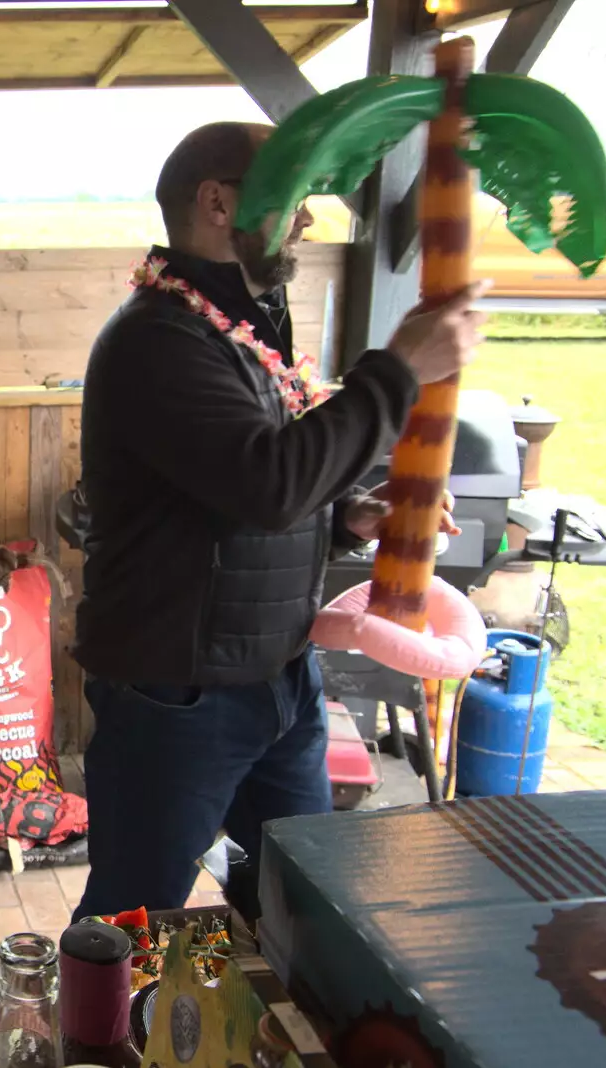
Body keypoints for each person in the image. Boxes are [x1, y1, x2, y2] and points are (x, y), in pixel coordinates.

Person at [70, 122, 485, 919]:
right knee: (134, 914)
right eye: (292, 199)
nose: (306, 220)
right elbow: (268, 484)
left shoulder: (245, 327)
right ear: (219, 203)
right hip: (177, 697)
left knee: (300, 896)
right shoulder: (157, 340)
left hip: (282, 678)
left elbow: (245, 491)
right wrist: (399, 370)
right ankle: (97, 1040)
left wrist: (350, 518)